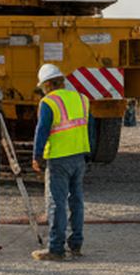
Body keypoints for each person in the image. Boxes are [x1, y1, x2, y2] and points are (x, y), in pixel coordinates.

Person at [30, 64, 93, 261]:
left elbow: (42, 131)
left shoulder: (49, 102)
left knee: (56, 202)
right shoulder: (82, 99)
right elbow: (90, 129)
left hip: (58, 158)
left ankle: (56, 248)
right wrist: (88, 152)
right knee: (77, 201)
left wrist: (37, 156)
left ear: (47, 84)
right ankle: (76, 244)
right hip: (79, 157)